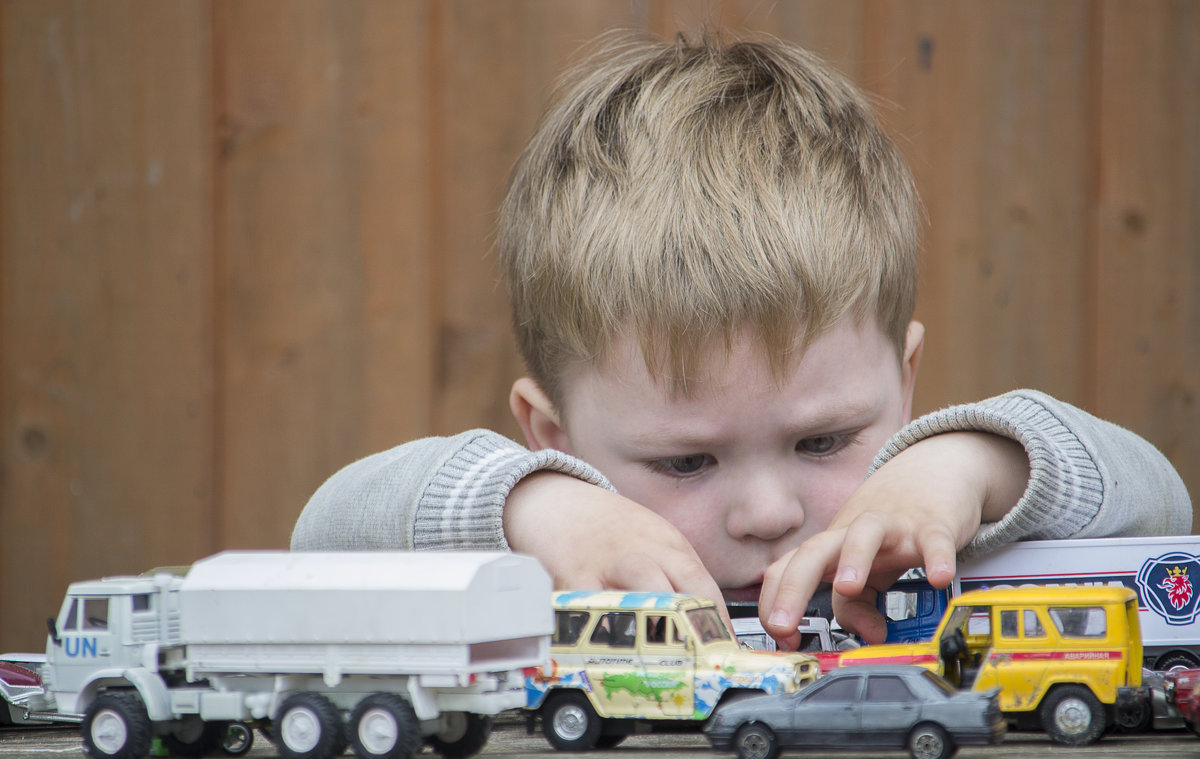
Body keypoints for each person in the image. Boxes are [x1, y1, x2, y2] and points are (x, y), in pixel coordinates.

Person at [291, 31, 1192, 647]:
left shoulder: (933, 535)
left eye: (823, 441)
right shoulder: (546, 560)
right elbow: (322, 540)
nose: (769, 513)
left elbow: (1163, 505)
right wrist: (536, 508)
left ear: (904, 383)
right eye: (685, 463)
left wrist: (967, 462)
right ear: (555, 438)